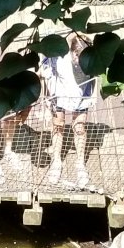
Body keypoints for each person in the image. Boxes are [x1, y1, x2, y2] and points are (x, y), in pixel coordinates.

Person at [42, 34, 96, 187]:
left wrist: (93, 95)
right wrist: (47, 103)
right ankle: (56, 161)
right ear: (72, 52)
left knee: (79, 128)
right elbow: (46, 75)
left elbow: (96, 75)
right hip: (59, 94)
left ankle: (80, 164)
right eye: (79, 56)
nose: (81, 61)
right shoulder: (59, 58)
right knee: (58, 126)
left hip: (81, 95)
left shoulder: (91, 58)